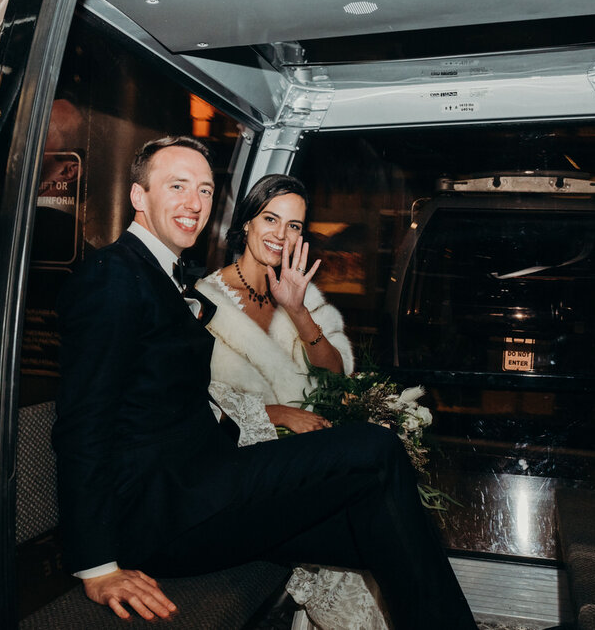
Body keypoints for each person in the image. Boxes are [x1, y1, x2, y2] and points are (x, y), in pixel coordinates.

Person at [53, 136, 477, 629]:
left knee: (378, 515)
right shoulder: (113, 277)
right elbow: (83, 423)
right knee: (374, 447)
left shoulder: (162, 275)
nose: (195, 204)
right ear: (139, 197)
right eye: (178, 186)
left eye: (206, 191)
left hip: (204, 482)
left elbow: (160, 394)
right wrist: (97, 566)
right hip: (163, 516)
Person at [195, 174, 390, 629]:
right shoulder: (200, 303)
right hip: (239, 468)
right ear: (245, 223)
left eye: (295, 226)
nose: (281, 235)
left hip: (307, 459)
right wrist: (275, 414)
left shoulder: (301, 292)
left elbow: (336, 379)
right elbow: (190, 406)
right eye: (271, 219)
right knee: (360, 521)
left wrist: (299, 311)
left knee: (371, 505)